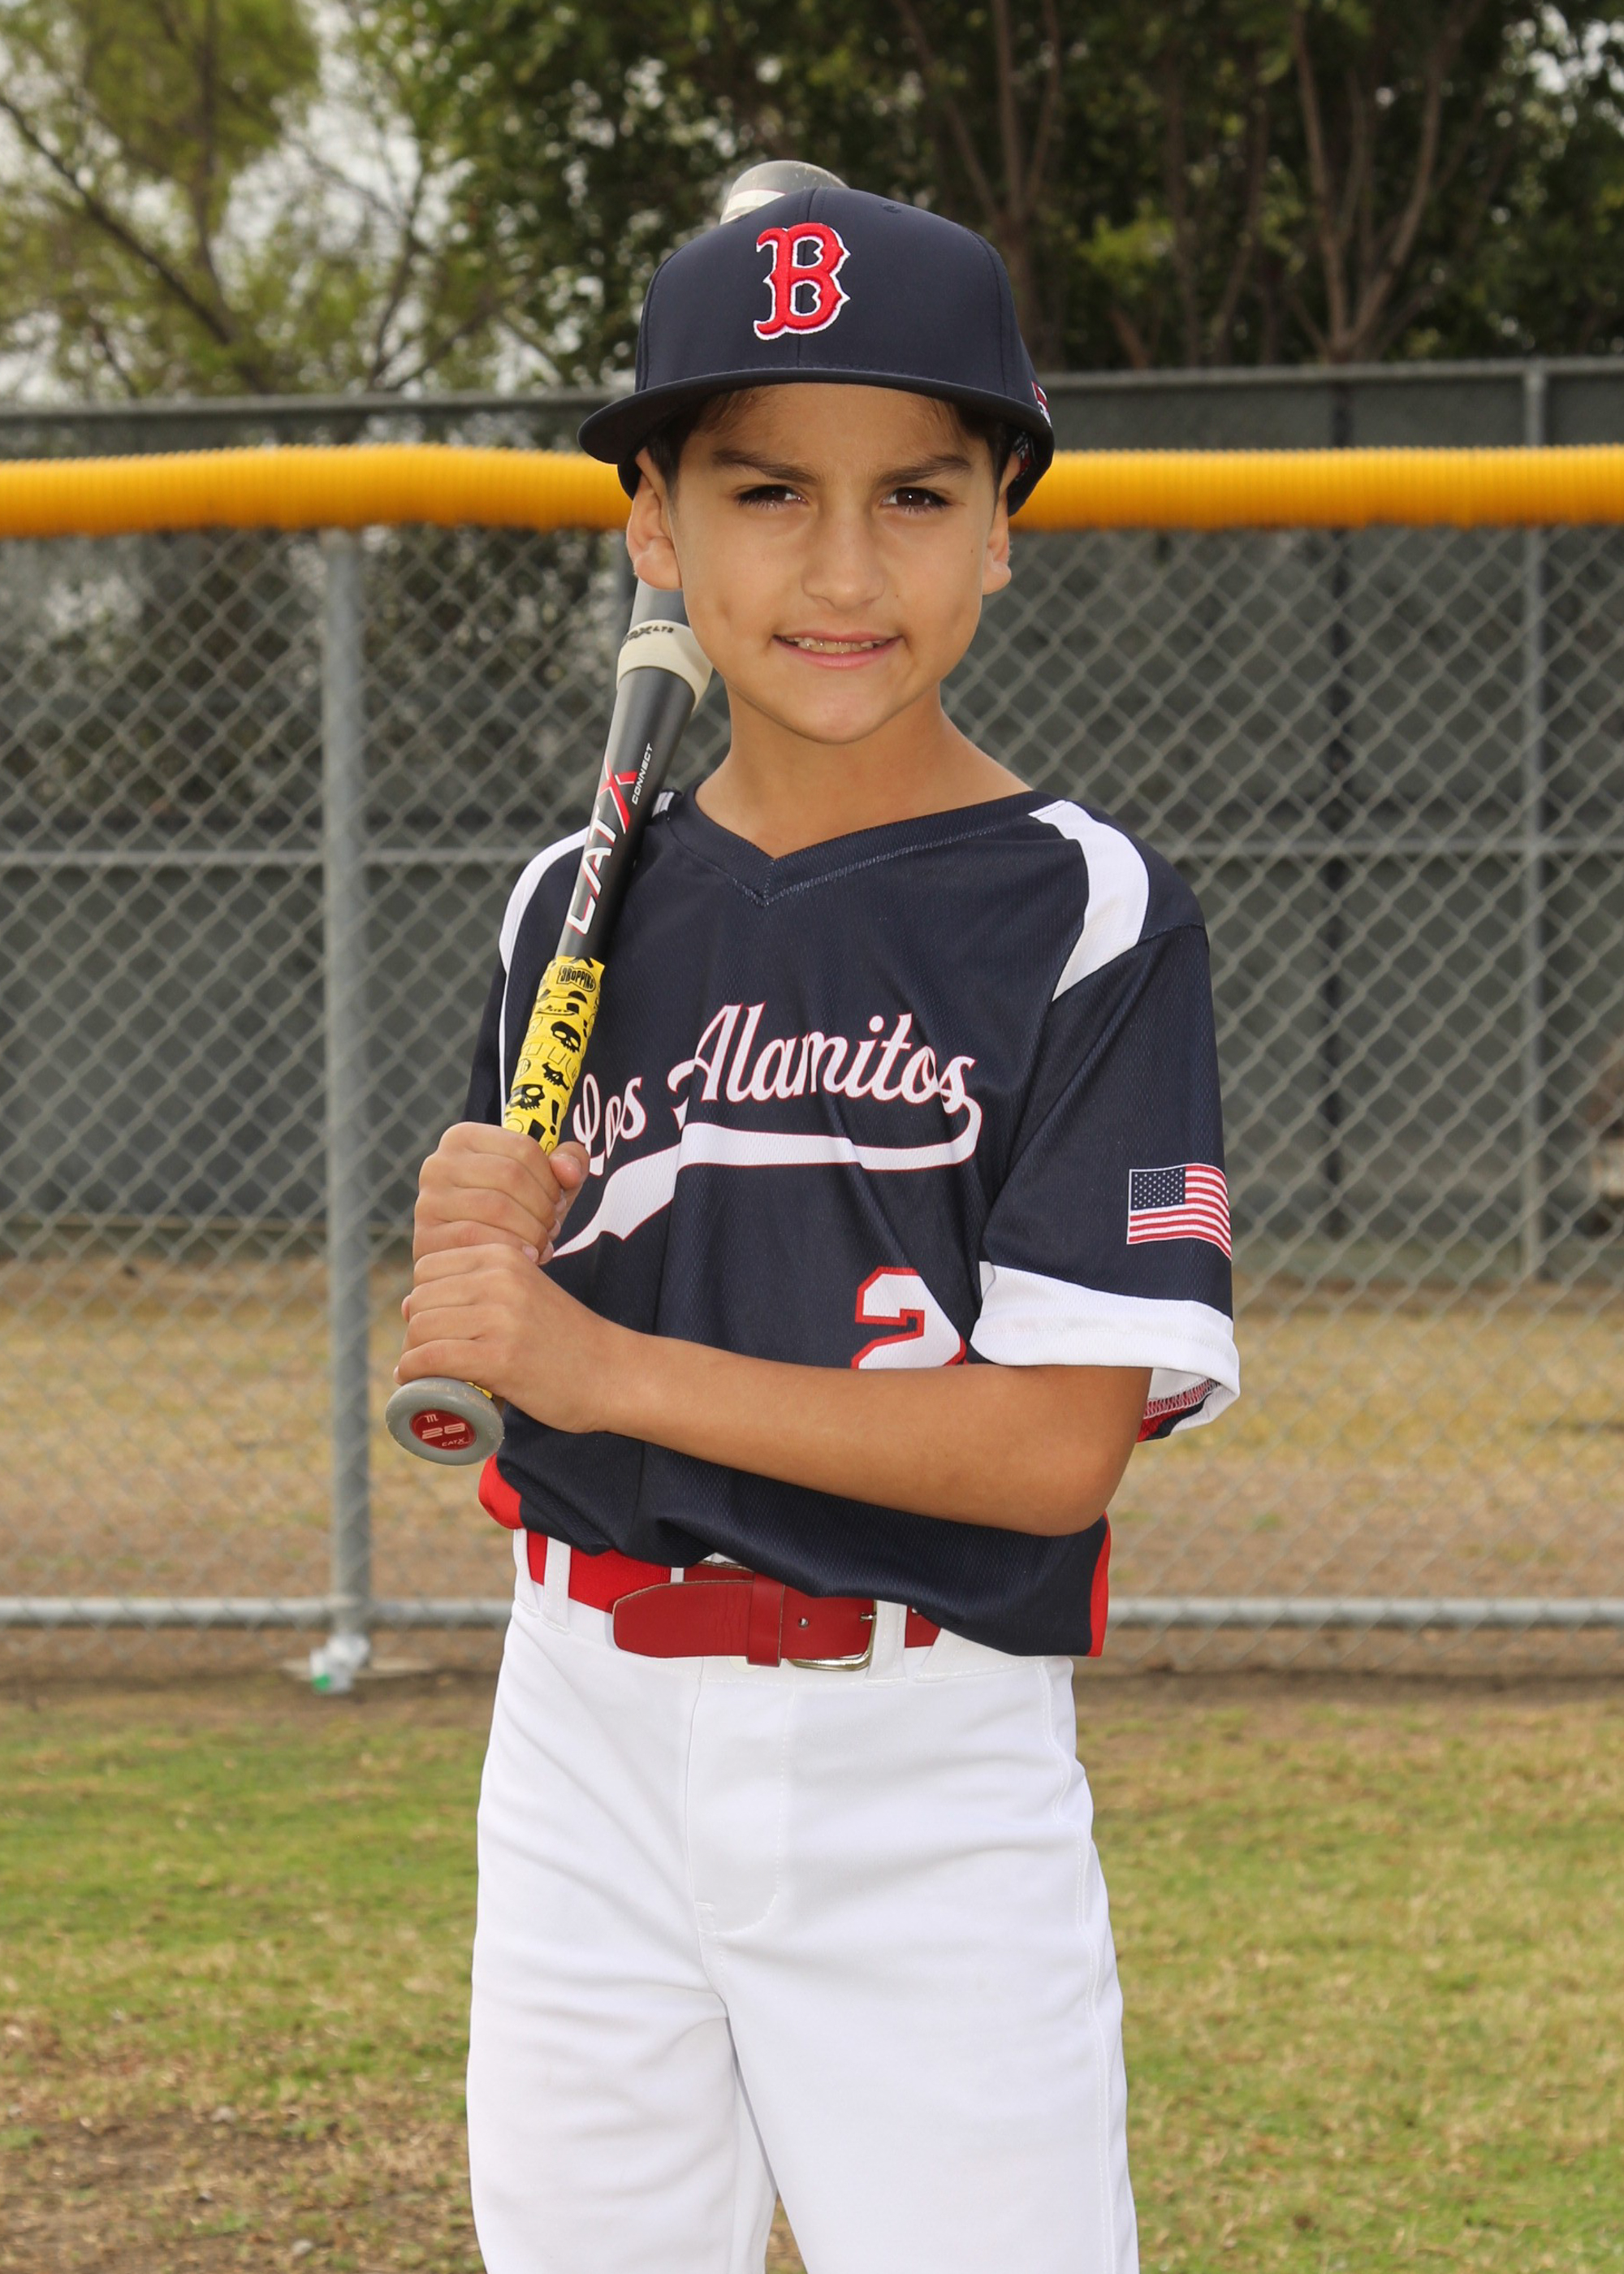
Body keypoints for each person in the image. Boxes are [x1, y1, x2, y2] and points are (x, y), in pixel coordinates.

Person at [395, 184, 1239, 2274]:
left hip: (914, 1750)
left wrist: (592, 1360)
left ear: (1000, 526)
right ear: (655, 527)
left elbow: (1050, 1447)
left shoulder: (1084, 908)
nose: (844, 568)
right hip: (580, 1720)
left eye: (915, 494)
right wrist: (487, 1255)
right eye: (766, 490)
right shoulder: (567, 903)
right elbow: (524, 1372)